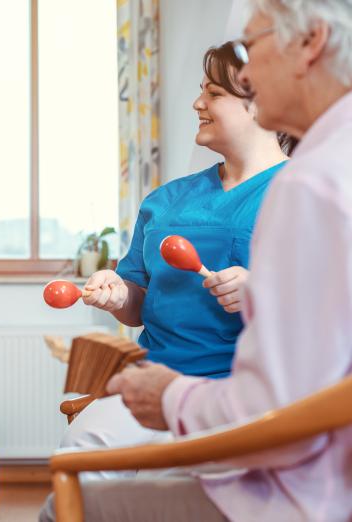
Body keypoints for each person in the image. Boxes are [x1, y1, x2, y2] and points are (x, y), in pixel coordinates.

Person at [43, 0, 352, 520]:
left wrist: (172, 400)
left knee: (68, 505)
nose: (248, 72)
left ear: (311, 43)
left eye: (252, 47)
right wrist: (123, 297)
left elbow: (278, 408)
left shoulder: (308, 184)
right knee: (81, 462)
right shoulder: (322, 166)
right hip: (260, 437)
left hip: (285, 473)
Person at [58, 41, 291, 459]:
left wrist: (263, 291)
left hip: (241, 393)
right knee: (79, 453)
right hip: (153, 380)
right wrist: (118, 294)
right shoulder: (164, 201)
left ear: (260, 102)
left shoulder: (300, 193)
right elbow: (137, 302)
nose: (197, 103)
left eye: (215, 94)